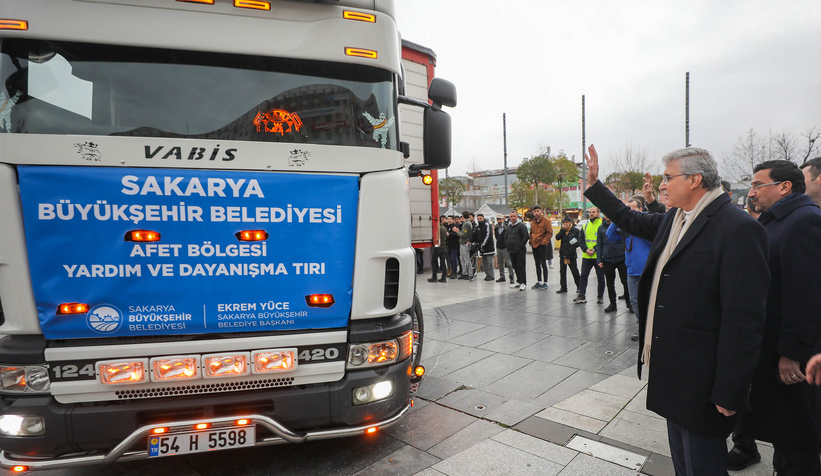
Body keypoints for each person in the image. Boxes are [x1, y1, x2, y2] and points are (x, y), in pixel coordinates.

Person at [584, 144, 769, 476]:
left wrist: (730, 388)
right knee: (683, 461)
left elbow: (744, 319)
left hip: (704, 376)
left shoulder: (737, 227)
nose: (662, 185)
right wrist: (595, 186)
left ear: (695, 179)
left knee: (703, 463)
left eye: (668, 177)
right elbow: (629, 218)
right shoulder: (676, 218)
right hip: (672, 368)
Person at [743, 160, 821, 476]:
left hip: (789, 355)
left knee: (796, 432)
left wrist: (792, 354)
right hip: (772, 345)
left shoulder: (804, 221)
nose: (752, 192)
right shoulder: (779, 219)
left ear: (784, 187)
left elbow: (805, 295)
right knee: (783, 429)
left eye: (758, 185)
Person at [606, 195, 651, 341]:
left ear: (640, 210)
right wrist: (618, 219)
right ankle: (642, 327)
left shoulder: (646, 224)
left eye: (631, 210)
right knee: (634, 302)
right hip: (632, 270)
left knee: (649, 302)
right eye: (627, 210)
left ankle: (651, 329)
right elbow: (610, 236)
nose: (628, 213)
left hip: (647, 270)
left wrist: (638, 225)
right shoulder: (625, 227)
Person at [596, 214, 628, 313]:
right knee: (610, 283)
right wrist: (599, 259)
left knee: (625, 282)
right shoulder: (601, 228)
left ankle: (629, 303)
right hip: (608, 259)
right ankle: (612, 304)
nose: (606, 215)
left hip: (621, 258)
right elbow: (599, 244)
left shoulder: (620, 226)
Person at [575, 207, 605, 304]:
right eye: (590, 212)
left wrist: (595, 249)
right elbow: (581, 240)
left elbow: (604, 240)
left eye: (593, 212)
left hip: (598, 256)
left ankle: (600, 296)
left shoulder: (602, 225)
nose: (591, 214)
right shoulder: (585, 225)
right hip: (587, 256)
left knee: (600, 277)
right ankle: (582, 295)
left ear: (598, 213)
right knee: (583, 276)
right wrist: (586, 249)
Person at [555, 216, 581, 294]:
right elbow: (557, 237)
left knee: (574, 271)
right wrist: (562, 231)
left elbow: (579, 241)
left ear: (570, 223)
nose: (565, 224)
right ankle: (563, 287)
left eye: (567, 222)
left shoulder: (575, 231)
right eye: (564, 222)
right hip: (563, 254)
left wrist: (572, 247)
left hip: (571, 254)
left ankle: (579, 286)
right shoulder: (563, 230)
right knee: (562, 271)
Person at [529, 205, 553, 289]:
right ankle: (539, 281)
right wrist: (531, 241)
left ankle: (545, 282)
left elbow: (550, 233)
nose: (536, 213)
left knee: (543, 263)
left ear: (541, 211)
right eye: (534, 211)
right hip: (534, 244)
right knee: (537, 264)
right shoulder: (533, 222)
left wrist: (544, 242)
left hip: (542, 245)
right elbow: (531, 232)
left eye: (537, 211)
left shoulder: (546, 221)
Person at [506, 211, 529, 291]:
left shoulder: (521, 226)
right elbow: (506, 237)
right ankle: (519, 281)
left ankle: (523, 282)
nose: (512, 218)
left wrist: (520, 246)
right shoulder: (509, 227)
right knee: (515, 266)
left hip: (520, 251)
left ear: (517, 217)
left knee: (521, 266)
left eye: (514, 216)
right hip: (511, 250)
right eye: (511, 216)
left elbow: (525, 236)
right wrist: (507, 246)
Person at [428, 216, 449, 283]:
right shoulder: (444, 228)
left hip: (437, 247)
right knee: (443, 263)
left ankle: (434, 277)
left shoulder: (436, 228)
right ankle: (444, 277)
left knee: (434, 262)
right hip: (444, 247)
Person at [475, 214, 496, 281]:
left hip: (489, 248)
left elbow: (488, 235)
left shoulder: (487, 225)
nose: (479, 220)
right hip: (482, 249)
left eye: (480, 218)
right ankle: (487, 275)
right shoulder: (478, 227)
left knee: (490, 262)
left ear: (483, 218)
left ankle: (491, 275)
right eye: (478, 219)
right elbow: (476, 235)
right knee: (485, 263)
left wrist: (483, 244)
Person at [495, 214, 514, 283]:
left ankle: (511, 276)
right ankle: (502, 276)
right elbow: (496, 236)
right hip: (499, 246)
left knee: (508, 263)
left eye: (500, 219)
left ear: (503, 219)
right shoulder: (496, 227)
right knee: (500, 263)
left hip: (505, 247)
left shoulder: (507, 227)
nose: (499, 221)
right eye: (498, 219)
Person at [458, 211, 473, 281]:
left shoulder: (467, 224)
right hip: (463, 243)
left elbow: (464, 234)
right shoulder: (466, 223)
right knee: (462, 259)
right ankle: (464, 272)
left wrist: (457, 231)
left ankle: (469, 273)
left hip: (465, 243)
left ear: (463, 216)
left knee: (466, 259)